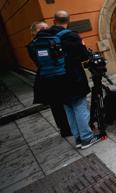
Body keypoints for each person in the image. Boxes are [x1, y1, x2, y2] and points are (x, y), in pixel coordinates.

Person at [30, 11, 101, 149]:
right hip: (73, 78)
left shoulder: (46, 36)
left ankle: (78, 139)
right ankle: (86, 138)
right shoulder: (71, 35)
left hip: (54, 80)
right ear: (68, 20)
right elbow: (84, 56)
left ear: (54, 20)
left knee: (68, 108)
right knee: (79, 106)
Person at [27, 21, 72, 138]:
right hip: (48, 78)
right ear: (33, 32)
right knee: (56, 105)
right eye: (41, 28)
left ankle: (72, 124)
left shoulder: (53, 40)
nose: (45, 30)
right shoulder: (33, 45)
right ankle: (64, 129)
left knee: (67, 102)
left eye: (47, 28)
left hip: (60, 75)